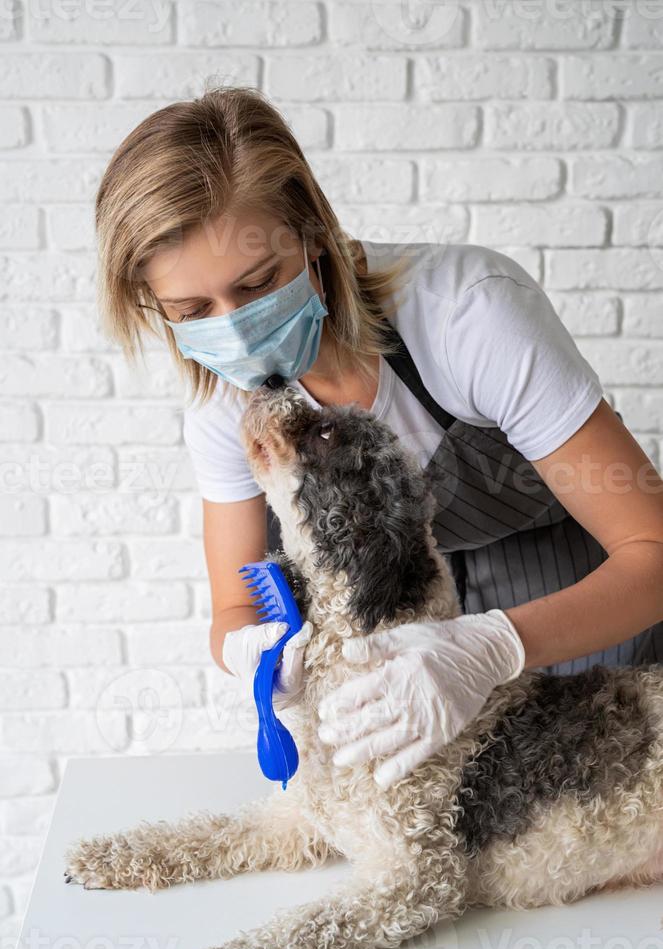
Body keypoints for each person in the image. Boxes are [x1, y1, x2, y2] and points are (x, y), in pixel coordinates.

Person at [95, 85, 663, 791]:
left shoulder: (466, 315)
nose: (235, 327)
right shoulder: (223, 409)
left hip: (597, 672)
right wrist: (255, 653)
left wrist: (489, 646)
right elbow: (235, 608)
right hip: (406, 725)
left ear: (313, 232)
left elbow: (653, 553)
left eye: (259, 281)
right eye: (191, 309)